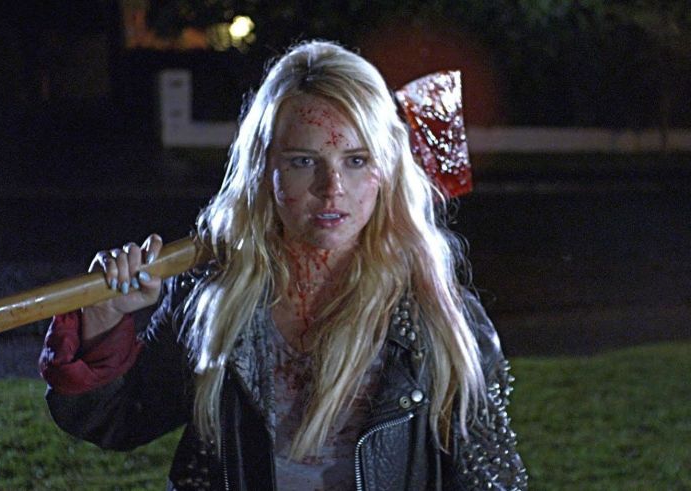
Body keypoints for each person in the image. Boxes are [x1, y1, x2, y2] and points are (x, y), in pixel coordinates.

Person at [40, 40, 527, 490]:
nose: (332, 188)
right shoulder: (213, 297)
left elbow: (492, 480)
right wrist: (104, 321)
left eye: (356, 160)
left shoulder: (438, 317)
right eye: (303, 161)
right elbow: (119, 420)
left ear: (387, 170)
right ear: (263, 168)